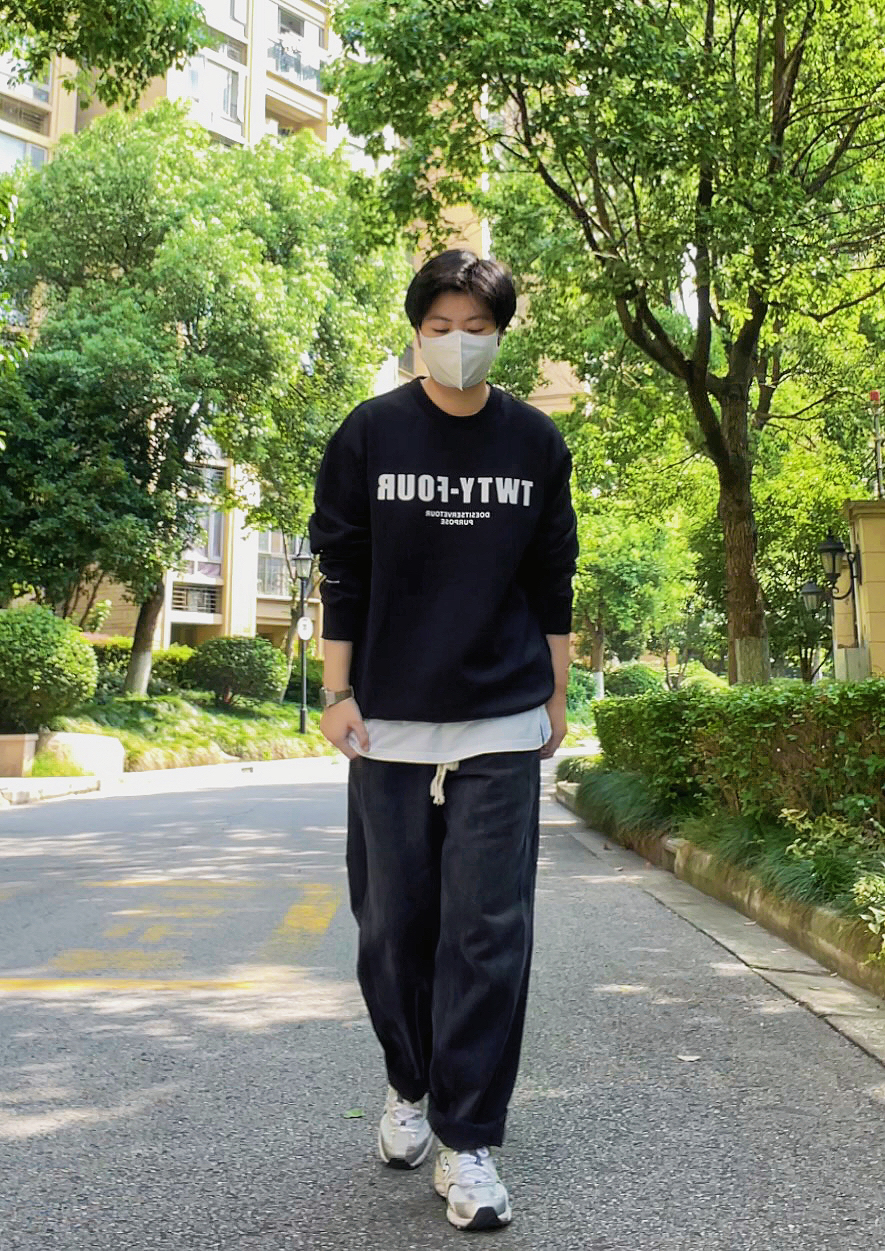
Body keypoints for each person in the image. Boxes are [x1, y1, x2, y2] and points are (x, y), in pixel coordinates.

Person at [308, 249, 578, 1232]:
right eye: (440, 326)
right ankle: (408, 1082)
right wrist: (336, 691)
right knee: (392, 929)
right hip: (387, 723)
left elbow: (552, 575)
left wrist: (557, 694)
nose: (458, 341)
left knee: (489, 932)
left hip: (500, 719)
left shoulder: (534, 442)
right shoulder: (370, 433)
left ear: (500, 332)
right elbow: (343, 569)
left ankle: (468, 1139)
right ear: (416, 330)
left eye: (476, 327)